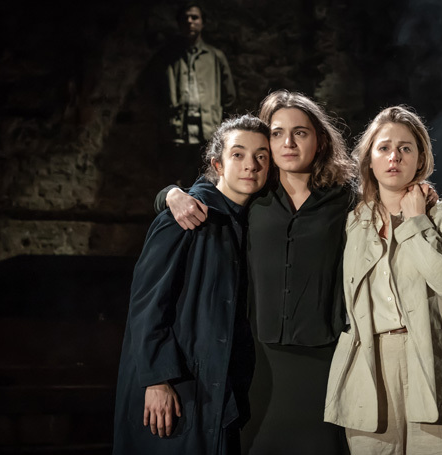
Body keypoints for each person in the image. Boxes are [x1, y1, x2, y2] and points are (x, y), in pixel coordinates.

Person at [155, 90, 356, 454]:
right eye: (277, 133)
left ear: (320, 139)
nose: (288, 142)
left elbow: (388, 200)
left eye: (301, 132)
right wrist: (169, 194)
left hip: (324, 358)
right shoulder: (254, 194)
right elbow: (204, 194)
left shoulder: (346, 200)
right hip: (257, 361)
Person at [324, 106, 442, 454]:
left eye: (405, 147)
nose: (394, 156)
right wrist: (173, 193)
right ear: (369, 159)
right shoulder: (352, 221)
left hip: (431, 360)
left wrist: (415, 222)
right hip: (369, 368)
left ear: (420, 157)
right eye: (383, 147)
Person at [113, 115, 270, 455]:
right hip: (175, 382)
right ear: (218, 163)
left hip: (215, 385)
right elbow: (146, 303)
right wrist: (156, 379)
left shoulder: (246, 219)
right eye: (238, 154)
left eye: (261, 156)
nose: (251, 165)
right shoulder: (186, 215)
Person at [154, 1, 236, 186]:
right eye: (185, 18)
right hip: (176, 131)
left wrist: (216, 118)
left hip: (207, 130)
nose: (190, 22)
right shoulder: (167, 57)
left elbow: (229, 95)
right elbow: (154, 92)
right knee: (174, 181)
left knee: (208, 179)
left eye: (194, 17)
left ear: (202, 22)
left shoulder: (215, 57)